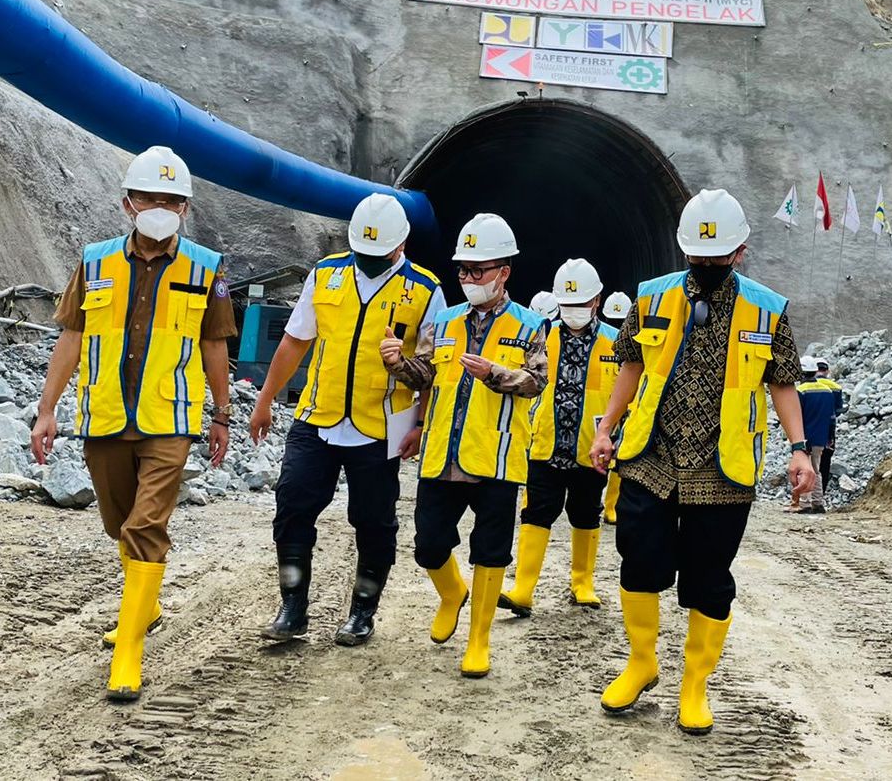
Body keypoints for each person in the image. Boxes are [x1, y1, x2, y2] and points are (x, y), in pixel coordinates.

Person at [590, 189, 816, 735]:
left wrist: (799, 449)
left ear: (740, 250)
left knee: (709, 579)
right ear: (683, 251)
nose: (707, 266)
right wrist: (605, 427)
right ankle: (642, 663)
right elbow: (631, 366)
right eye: (697, 258)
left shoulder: (768, 308)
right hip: (651, 457)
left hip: (723, 467)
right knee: (639, 562)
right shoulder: (651, 297)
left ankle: (695, 684)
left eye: (718, 258)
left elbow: (782, 382)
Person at [30, 146, 235, 702]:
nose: (160, 207)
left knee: (146, 526)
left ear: (186, 208)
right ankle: (147, 604)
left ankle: (129, 651)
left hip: (170, 417)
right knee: (119, 523)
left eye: (171, 199)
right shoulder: (94, 261)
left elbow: (214, 344)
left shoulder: (206, 268)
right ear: (127, 204)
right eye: (149, 197)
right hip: (104, 415)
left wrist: (221, 414)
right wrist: (46, 409)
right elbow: (71, 337)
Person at [249, 193, 444, 646]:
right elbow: (295, 341)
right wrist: (265, 399)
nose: (369, 261)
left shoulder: (425, 290)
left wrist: (419, 422)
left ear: (402, 244)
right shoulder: (327, 274)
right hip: (317, 416)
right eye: (363, 254)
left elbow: (435, 367)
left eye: (380, 255)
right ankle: (292, 608)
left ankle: (362, 612)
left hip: (381, 425)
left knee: (373, 522)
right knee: (293, 507)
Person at [403, 214, 548, 678]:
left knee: (490, 551)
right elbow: (425, 374)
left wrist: (495, 374)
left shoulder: (530, 325)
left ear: (504, 271)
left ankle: (479, 640)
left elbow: (537, 382)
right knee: (428, 544)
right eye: (463, 270)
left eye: (478, 270)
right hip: (442, 452)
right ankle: (452, 593)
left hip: (497, 457)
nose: (468, 279)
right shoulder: (443, 321)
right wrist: (398, 365)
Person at [498, 259, 618, 617]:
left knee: (586, 513)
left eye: (580, 304)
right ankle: (523, 588)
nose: (573, 312)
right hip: (544, 443)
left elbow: (627, 393)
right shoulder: (540, 335)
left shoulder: (615, 343)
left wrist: (615, 435)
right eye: (567, 306)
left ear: (596, 300)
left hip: (590, 447)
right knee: (536, 512)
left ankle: (583, 582)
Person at [792, 356, 842, 514]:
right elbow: (832, 415)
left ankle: (805, 504)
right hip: (822, 437)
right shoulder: (827, 391)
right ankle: (818, 502)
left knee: (804, 471)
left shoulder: (800, 391)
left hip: (804, 437)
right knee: (816, 470)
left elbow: (796, 416)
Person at [600, 290, 633, 525]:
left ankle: (611, 506)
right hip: (602, 407)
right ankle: (603, 503)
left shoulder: (633, 346)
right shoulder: (599, 340)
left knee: (619, 457)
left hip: (625, 407)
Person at [815, 358, 843, 489]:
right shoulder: (836, 387)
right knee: (825, 462)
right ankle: (821, 493)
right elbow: (838, 410)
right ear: (827, 371)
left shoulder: (804, 387)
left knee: (809, 461)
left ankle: (806, 495)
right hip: (829, 430)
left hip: (810, 428)